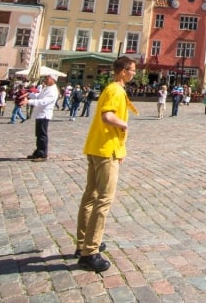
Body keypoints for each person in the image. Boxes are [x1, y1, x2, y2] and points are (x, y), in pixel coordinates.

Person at [75, 56, 139, 273]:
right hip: (106, 149)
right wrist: (125, 125)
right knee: (103, 200)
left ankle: (84, 243)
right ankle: (89, 252)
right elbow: (107, 116)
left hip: (96, 146)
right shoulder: (116, 90)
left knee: (90, 196)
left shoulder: (110, 88)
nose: (134, 74)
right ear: (122, 71)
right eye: (132, 71)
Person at [27, 73, 60, 161]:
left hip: (44, 114)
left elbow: (43, 102)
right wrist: (29, 94)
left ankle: (42, 154)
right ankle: (38, 152)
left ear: (53, 80)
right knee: (38, 134)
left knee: (42, 135)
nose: (45, 79)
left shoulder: (53, 91)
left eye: (47, 78)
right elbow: (39, 96)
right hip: (40, 114)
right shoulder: (47, 88)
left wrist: (29, 102)